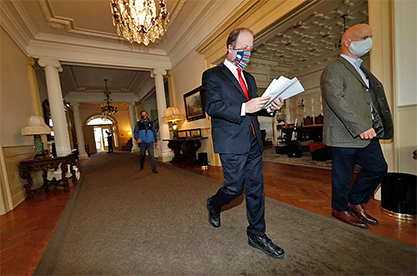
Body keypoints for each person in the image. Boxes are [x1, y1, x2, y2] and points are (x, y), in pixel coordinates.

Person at [201, 27, 285, 258]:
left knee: (256, 189)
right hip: (230, 141)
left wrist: (271, 108)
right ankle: (214, 203)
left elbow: (254, 110)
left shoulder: (249, 77)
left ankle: (257, 234)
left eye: (250, 48)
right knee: (235, 188)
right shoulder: (213, 75)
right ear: (230, 48)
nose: (247, 52)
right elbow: (212, 107)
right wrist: (243, 107)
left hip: (253, 140)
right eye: (243, 47)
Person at [320, 24, 393, 228]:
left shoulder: (361, 70)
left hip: (368, 132)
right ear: (348, 43)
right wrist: (360, 126)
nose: (369, 41)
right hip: (345, 133)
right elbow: (336, 99)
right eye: (364, 38)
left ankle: (355, 200)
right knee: (342, 175)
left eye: (370, 36)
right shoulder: (334, 68)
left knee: (378, 167)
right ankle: (339, 208)